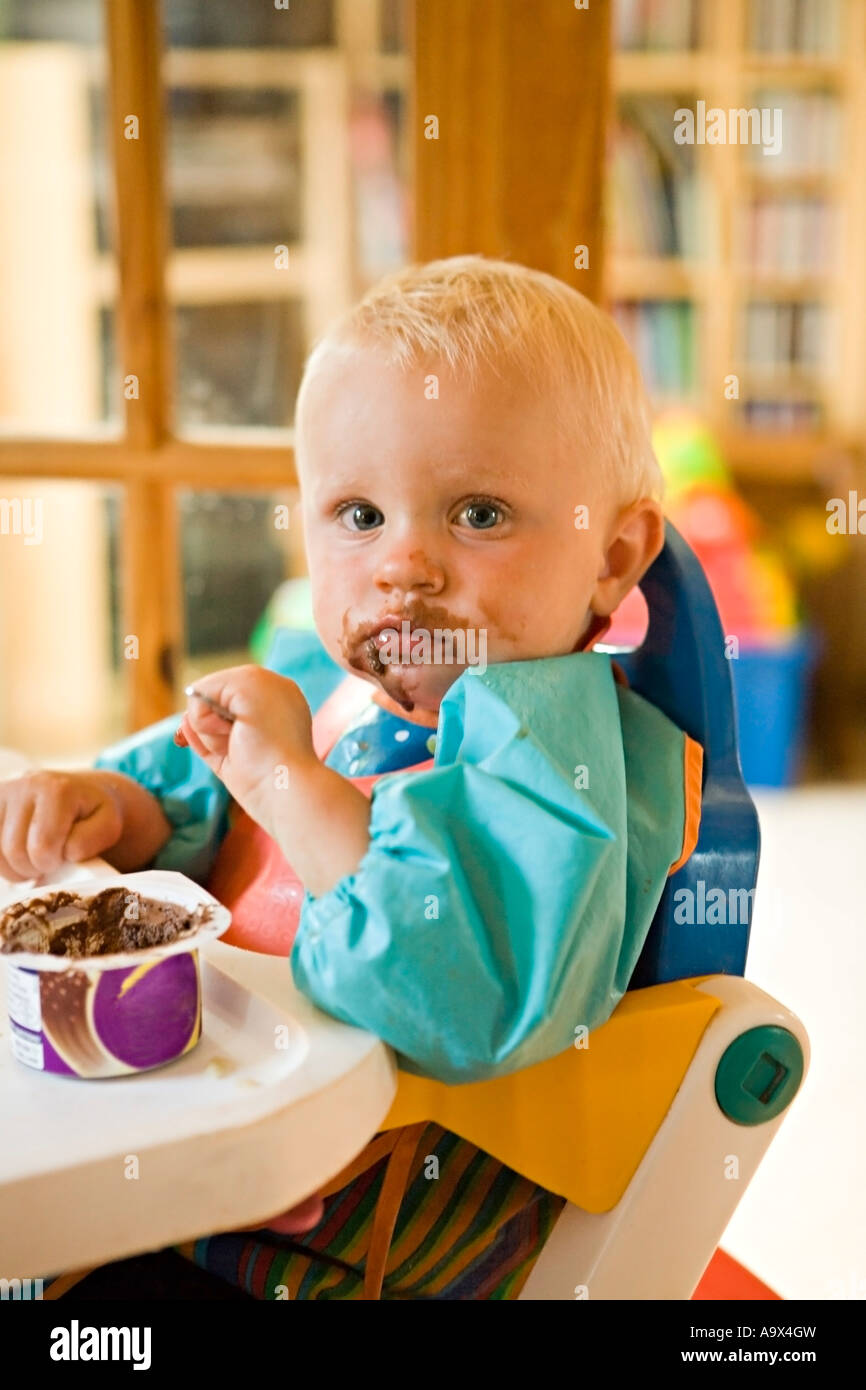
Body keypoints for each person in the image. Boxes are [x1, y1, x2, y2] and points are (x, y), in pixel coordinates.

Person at [1, 257, 702, 1299]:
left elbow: (454, 988)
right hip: (225, 1154)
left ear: (609, 558)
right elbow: (222, 820)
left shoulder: (558, 755)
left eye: (477, 514)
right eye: (358, 516)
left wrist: (286, 780)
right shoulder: (340, 704)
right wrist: (127, 811)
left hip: (380, 1230)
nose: (402, 565)